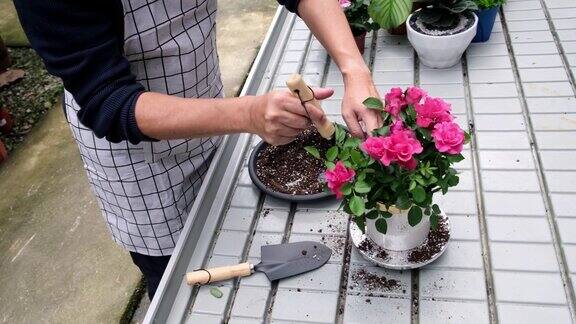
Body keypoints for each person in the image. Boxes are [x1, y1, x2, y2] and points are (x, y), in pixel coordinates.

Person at [14, 0, 381, 299]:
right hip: (137, 165)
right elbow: (107, 99)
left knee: (225, 232)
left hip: (208, 109)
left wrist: (354, 70)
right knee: (179, 281)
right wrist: (247, 113)